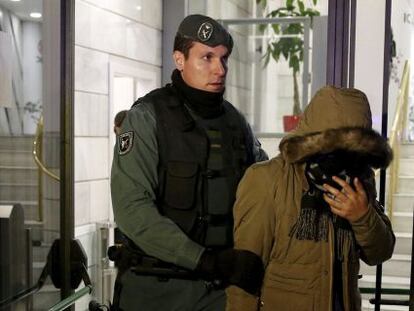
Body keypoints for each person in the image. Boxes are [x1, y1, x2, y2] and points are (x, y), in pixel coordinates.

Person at [110, 14, 268, 311]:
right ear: (179, 59)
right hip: (155, 292)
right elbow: (132, 210)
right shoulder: (146, 118)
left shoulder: (235, 123)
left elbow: (266, 184)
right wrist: (205, 260)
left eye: (224, 59)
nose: (219, 69)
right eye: (206, 57)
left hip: (220, 294)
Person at [226, 86, 395, 311]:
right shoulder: (267, 180)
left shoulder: (358, 181)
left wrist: (362, 216)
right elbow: (244, 274)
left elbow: (380, 252)